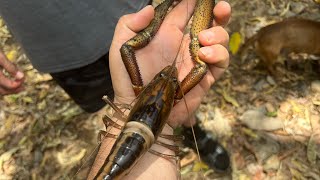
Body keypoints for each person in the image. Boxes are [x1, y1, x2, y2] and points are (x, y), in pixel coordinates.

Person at [0, 0, 231, 178]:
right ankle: (189, 131)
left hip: (111, 12)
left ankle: (190, 129)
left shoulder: (141, 84)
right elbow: (196, 69)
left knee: (117, 94)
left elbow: (127, 49)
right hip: (58, 46)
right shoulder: (173, 91)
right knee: (193, 72)